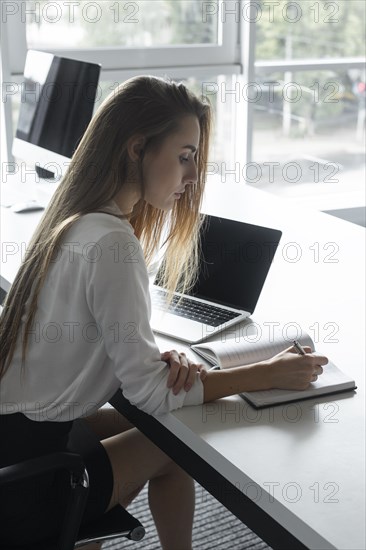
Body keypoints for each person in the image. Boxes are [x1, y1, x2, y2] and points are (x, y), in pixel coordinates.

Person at [0, 75, 328, 550]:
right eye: (185, 156)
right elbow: (153, 397)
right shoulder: (113, 242)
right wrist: (268, 374)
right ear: (137, 148)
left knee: (170, 431)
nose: (193, 176)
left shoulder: (76, 218)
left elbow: (113, 361)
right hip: (27, 488)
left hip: (16, 446)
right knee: (175, 448)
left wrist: (157, 364)